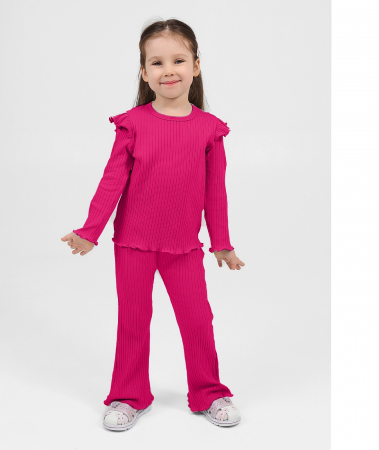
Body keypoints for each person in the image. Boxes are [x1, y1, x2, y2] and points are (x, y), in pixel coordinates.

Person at [61, 18, 245, 431]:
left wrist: (221, 242)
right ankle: (128, 396)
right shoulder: (133, 123)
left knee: (198, 321)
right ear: (144, 73)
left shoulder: (209, 130)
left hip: (184, 248)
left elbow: (215, 192)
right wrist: (90, 232)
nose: (168, 70)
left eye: (178, 60)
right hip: (133, 244)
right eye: (157, 63)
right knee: (133, 322)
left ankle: (209, 392)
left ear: (196, 66)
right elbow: (112, 181)